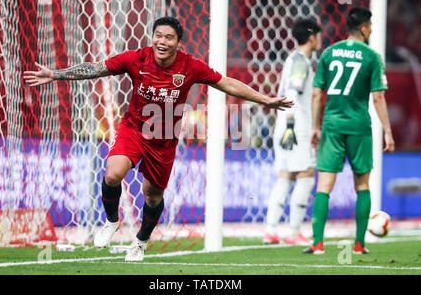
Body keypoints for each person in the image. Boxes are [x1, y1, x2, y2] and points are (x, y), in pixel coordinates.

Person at [23, 16, 293, 261]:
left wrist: (265, 99)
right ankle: (111, 221)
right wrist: (56, 74)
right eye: (158, 36)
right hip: (133, 129)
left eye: (168, 37)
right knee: (112, 174)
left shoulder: (190, 66)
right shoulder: (136, 58)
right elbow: (96, 68)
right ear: (152, 37)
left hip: (163, 139)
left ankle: (140, 241)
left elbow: (226, 83)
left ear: (178, 43)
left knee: (151, 197)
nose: (162, 41)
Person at [303, 7, 395, 255]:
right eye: (371, 26)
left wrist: (315, 126)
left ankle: (318, 244)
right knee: (362, 184)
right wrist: (387, 130)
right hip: (359, 126)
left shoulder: (329, 54)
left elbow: (316, 93)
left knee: (324, 184)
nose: (372, 30)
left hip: (332, 125)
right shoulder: (372, 57)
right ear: (364, 28)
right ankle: (358, 245)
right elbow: (377, 98)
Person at [263, 18, 321, 246]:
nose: (320, 39)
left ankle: (270, 230)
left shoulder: (293, 59)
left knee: (286, 176)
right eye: (318, 35)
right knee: (306, 175)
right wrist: (290, 126)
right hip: (295, 127)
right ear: (312, 37)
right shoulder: (300, 61)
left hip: (285, 125)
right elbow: (292, 94)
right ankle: (294, 231)